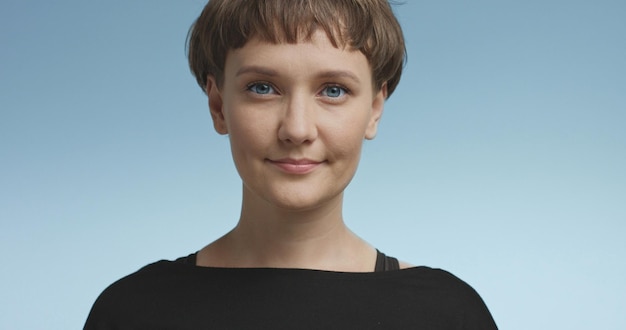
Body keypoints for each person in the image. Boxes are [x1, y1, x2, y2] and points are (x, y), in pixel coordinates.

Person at [84, 0, 498, 328]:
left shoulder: (446, 315)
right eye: (262, 88)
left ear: (374, 109)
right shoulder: (132, 312)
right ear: (218, 106)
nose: (297, 129)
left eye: (333, 90)